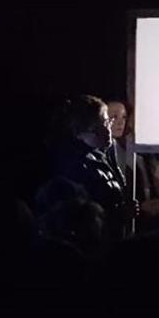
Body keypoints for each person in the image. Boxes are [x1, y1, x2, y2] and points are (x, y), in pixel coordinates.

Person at [46, 95, 133, 241]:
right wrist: (119, 214)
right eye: (106, 122)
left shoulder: (102, 156)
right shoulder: (73, 165)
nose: (110, 127)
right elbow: (82, 218)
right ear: (90, 127)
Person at [106, 100, 159, 202]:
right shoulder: (106, 151)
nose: (121, 122)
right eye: (114, 117)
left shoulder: (137, 152)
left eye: (124, 117)